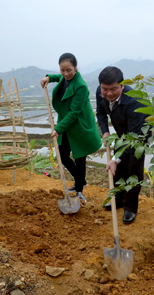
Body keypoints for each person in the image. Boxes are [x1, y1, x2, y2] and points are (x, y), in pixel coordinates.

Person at [40, 53, 102, 201]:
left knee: (80, 157)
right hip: (67, 123)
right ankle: (81, 180)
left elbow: (74, 113)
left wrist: (57, 129)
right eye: (63, 70)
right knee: (62, 155)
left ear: (75, 67)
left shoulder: (80, 86)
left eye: (69, 70)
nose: (66, 73)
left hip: (79, 124)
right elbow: (59, 77)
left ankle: (79, 189)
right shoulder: (65, 77)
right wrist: (48, 77)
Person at [96, 66, 150, 224]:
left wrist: (115, 158)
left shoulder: (133, 101)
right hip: (122, 133)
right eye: (105, 89)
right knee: (118, 168)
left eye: (113, 89)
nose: (109, 93)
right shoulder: (101, 93)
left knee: (133, 168)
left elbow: (133, 136)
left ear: (122, 86)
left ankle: (130, 208)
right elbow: (100, 112)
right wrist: (105, 131)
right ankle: (118, 200)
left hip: (139, 135)